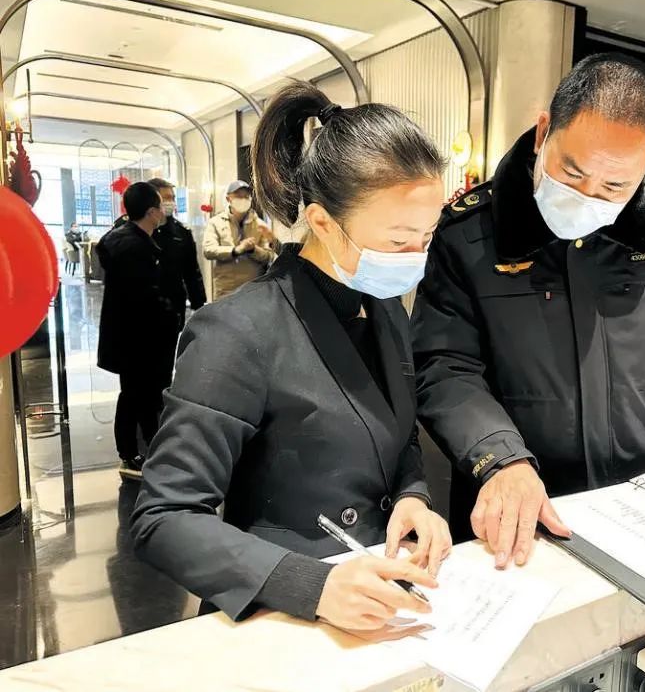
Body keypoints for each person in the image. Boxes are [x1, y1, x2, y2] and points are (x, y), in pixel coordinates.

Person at [412, 53, 645, 566]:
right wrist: (501, 459)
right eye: (571, 171)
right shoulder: (469, 234)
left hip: (641, 497)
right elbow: (444, 366)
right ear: (544, 131)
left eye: (615, 186)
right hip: (514, 503)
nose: (588, 196)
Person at [132, 80, 452, 629]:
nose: (417, 257)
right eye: (400, 240)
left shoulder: (386, 311)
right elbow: (164, 517)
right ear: (323, 222)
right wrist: (314, 586)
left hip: (380, 597)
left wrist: (413, 497)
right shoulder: (238, 330)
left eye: (428, 235)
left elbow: (396, 439)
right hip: (279, 607)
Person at [97, 182, 179, 479]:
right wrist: (169, 313)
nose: (164, 211)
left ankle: (143, 449)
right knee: (134, 395)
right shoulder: (136, 248)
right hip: (137, 339)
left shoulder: (123, 240)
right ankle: (129, 454)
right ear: (150, 212)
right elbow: (143, 298)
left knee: (139, 394)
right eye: (160, 205)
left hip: (132, 338)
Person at [147, 178, 207, 330]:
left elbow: (192, 273)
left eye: (173, 198)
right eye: (167, 198)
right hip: (143, 307)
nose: (172, 202)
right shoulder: (139, 230)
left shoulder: (181, 233)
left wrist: (198, 305)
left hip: (173, 307)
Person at [202, 180, 277, 299]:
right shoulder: (215, 223)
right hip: (226, 290)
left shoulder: (259, 225)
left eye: (246, 196)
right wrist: (235, 250)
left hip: (252, 290)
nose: (243, 200)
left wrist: (253, 250)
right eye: (238, 196)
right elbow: (208, 250)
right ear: (228, 199)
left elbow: (269, 256)